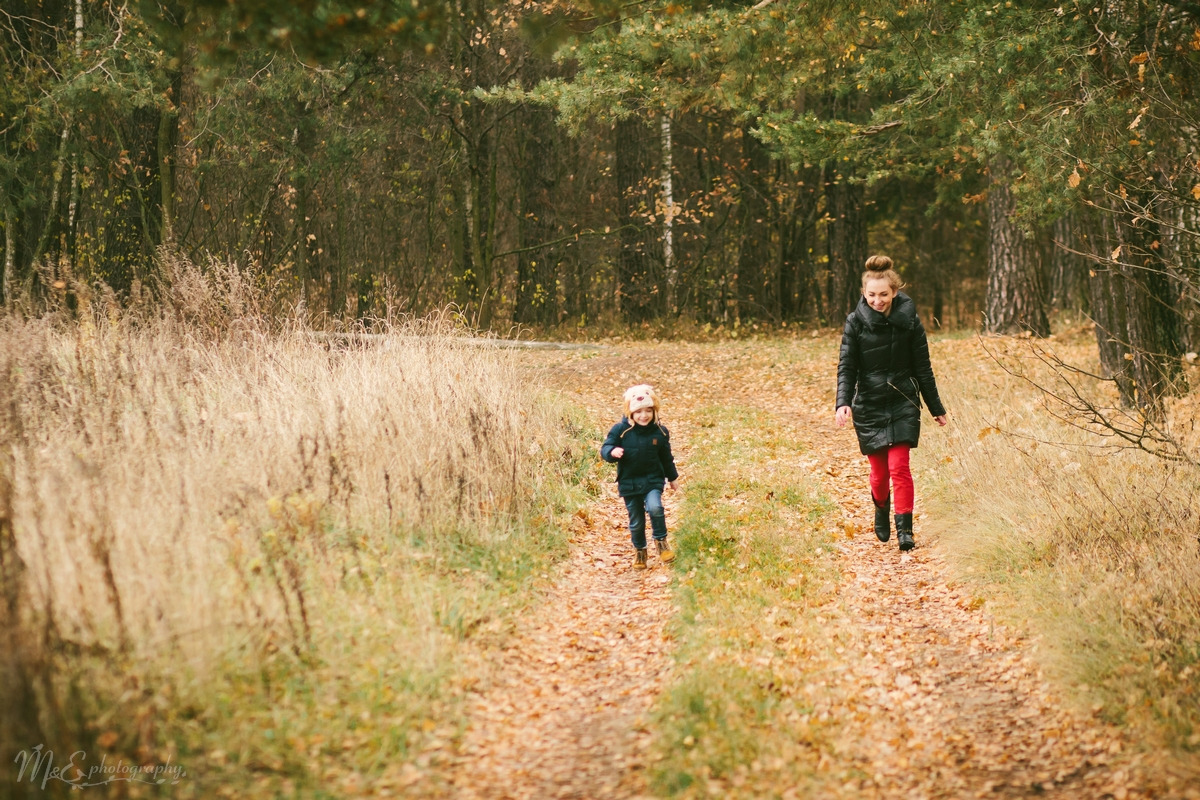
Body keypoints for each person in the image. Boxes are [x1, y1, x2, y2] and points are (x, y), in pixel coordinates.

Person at [835, 255, 948, 551]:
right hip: (869, 404)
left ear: (895, 292)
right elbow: (847, 366)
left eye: (884, 294)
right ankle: (881, 508)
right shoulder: (854, 323)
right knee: (879, 473)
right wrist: (843, 402)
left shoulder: (910, 321)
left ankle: (905, 530)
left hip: (902, 400)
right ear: (864, 293)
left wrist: (936, 408)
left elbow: (923, 367)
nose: (877, 300)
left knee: (899, 466)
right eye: (871, 295)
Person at [600, 384, 680, 569]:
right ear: (630, 412)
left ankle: (661, 542)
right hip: (629, 482)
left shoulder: (660, 432)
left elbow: (666, 458)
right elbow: (605, 448)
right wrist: (612, 452)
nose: (643, 415)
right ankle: (640, 551)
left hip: (653, 479)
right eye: (638, 412)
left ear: (654, 411)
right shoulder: (621, 430)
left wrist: (673, 478)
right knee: (636, 521)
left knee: (655, 508)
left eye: (648, 411)